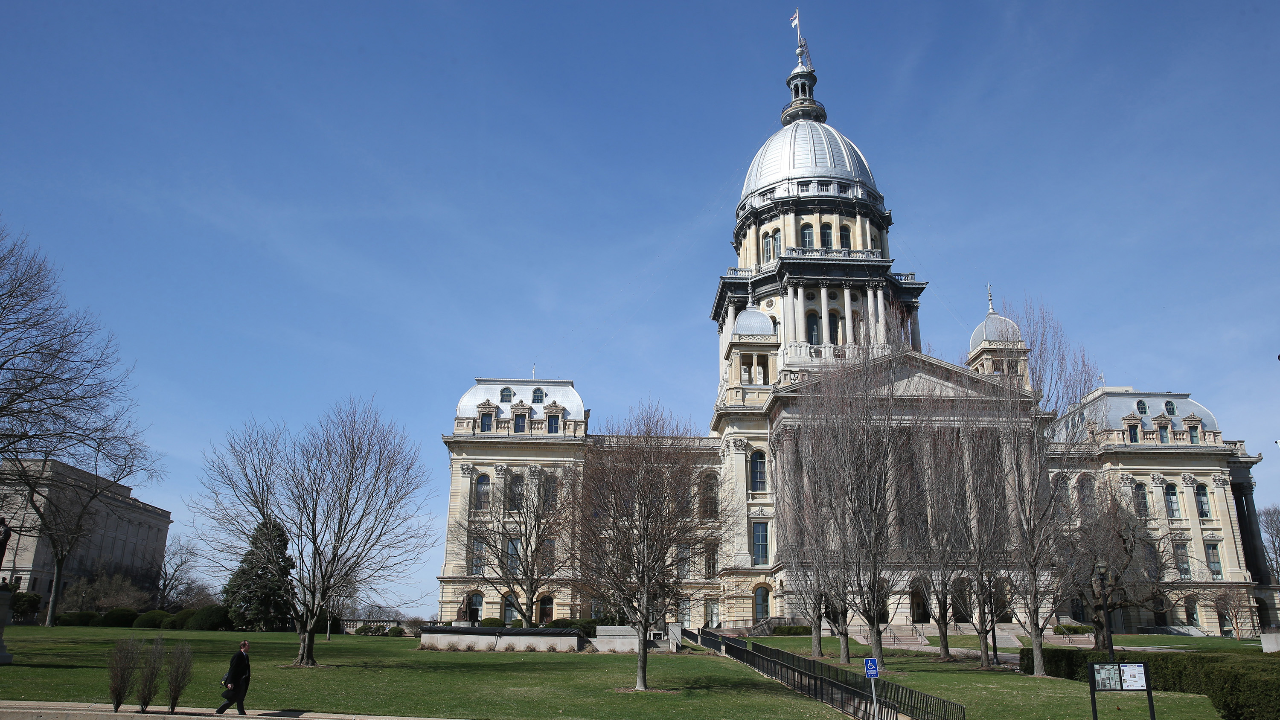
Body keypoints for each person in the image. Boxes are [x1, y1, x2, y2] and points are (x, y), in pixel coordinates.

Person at [216, 640, 251, 715]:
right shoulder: (237, 655)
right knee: (233, 698)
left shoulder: (245, 656)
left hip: (243, 680)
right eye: (247, 645)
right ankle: (220, 711)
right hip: (236, 681)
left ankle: (241, 712)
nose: (249, 647)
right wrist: (230, 682)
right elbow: (232, 669)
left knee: (240, 697)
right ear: (242, 647)